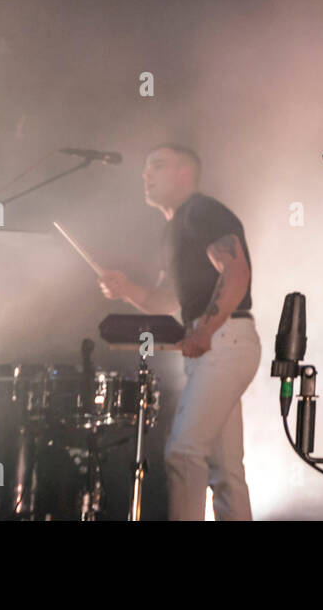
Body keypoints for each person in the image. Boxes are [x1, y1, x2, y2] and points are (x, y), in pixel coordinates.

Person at [98, 143, 260, 520]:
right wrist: (125, 289)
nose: (146, 176)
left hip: (224, 341)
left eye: (156, 166)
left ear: (185, 174)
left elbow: (236, 273)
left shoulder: (201, 212)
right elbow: (164, 300)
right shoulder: (174, 229)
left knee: (183, 452)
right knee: (225, 471)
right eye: (145, 169)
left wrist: (204, 330)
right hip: (222, 343)